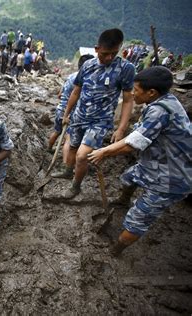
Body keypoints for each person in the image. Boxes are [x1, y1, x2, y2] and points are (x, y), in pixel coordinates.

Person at [87, 67, 192, 256]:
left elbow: (132, 144)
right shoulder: (161, 101)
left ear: (151, 92)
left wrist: (103, 152)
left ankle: (114, 251)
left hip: (171, 177)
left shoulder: (160, 112)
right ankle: (123, 201)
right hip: (155, 163)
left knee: (138, 219)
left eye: (136, 90)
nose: (132, 93)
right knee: (128, 178)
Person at [59, 28, 135, 199]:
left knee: (82, 155)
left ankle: (76, 186)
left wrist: (121, 128)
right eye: (105, 54)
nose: (109, 58)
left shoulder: (126, 68)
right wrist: (67, 113)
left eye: (113, 53)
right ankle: (67, 171)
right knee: (72, 147)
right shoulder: (87, 65)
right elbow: (76, 92)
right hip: (79, 116)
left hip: (100, 121)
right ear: (97, 49)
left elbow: (128, 100)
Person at [48, 55, 95, 169]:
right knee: (68, 138)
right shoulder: (84, 79)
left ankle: (48, 148)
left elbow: (60, 94)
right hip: (70, 112)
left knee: (57, 131)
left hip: (60, 109)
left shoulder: (71, 76)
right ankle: (66, 164)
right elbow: (78, 97)